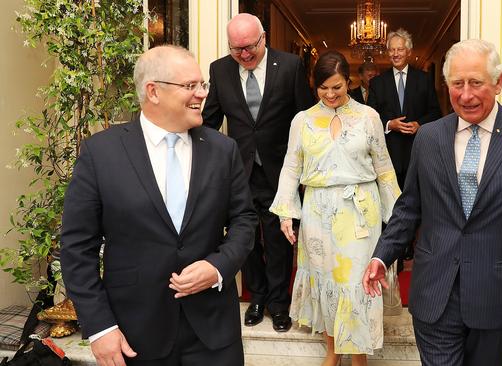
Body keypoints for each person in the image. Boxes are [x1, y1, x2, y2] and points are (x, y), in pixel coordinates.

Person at [362, 39, 502, 366]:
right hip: (436, 291)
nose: (466, 94)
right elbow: (409, 208)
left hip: (497, 294)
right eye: (457, 84)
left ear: (499, 82)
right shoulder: (428, 139)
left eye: (476, 83)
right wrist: (382, 255)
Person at [60, 45, 257, 366]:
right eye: (190, 86)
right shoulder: (101, 154)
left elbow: (245, 221)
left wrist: (218, 267)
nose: (202, 94)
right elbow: (76, 247)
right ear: (153, 92)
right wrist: (99, 327)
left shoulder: (224, 150)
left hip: (213, 333)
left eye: (202, 84)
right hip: (133, 334)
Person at [270, 50, 401, 366]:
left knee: (357, 284)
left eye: (338, 87)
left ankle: (358, 357)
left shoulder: (369, 117)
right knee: (325, 282)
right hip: (318, 213)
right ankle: (332, 351)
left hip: (359, 213)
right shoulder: (302, 121)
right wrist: (287, 211)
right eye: (323, 88)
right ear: (315, 86)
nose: (330, 95)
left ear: (349, 82)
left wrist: (397, 219)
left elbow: (384, 169)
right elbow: (291, 166)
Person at [202, 13, 314, 332]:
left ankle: (280, 303)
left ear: (263, 38)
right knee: (245, 239)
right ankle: (258, 298)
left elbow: (303, 119)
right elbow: (209, 121)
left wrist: (304, 169)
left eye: (250, 47)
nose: (245, 55)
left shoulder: (290, 66)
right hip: (239, 172)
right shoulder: (220, 69)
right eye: (237, 50)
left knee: (279, 240)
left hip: (280, 171)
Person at [367, 28, 442, 189]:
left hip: (418, 152)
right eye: (391, 50)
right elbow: (369, 118)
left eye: (400, 49)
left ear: (408, 51)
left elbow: (436, 112)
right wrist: (389, 124)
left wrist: (419, 124)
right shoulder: (377, 83)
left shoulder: (424, 79)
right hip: (387, 154)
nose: (395, 53)